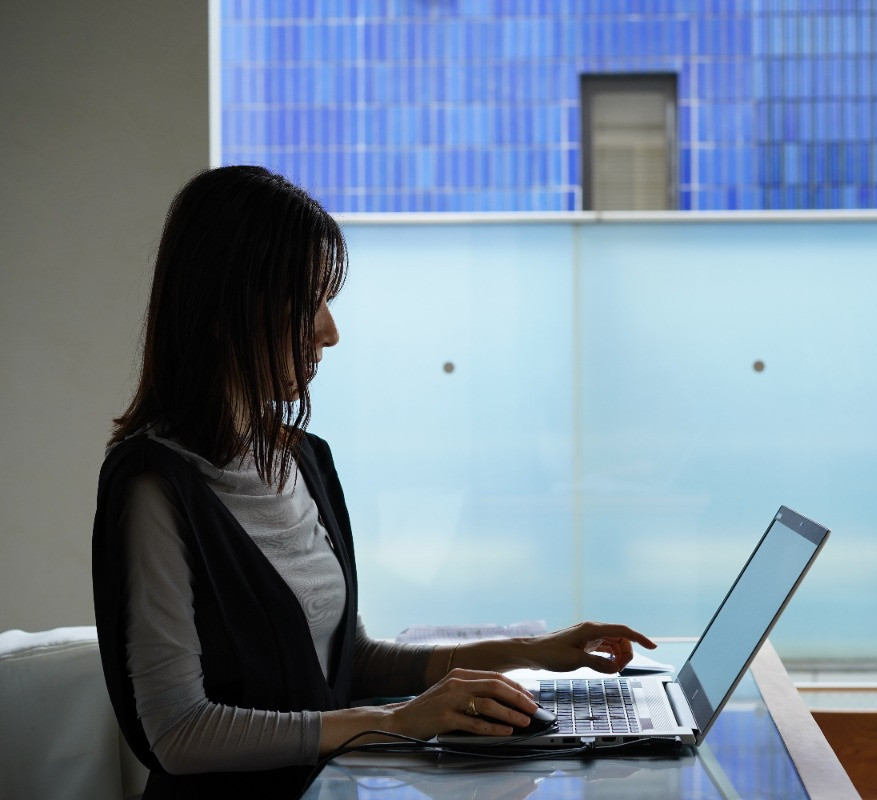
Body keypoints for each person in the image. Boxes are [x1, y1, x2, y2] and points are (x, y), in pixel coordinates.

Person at [91, 165, 655, 800]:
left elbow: (350, 663)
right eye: (305, 305)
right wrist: (395, 724)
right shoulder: (155, 486)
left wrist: (532, 652)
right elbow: (178, 731)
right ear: (223, 312)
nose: (329, 332)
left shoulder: (303, 459)